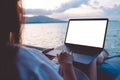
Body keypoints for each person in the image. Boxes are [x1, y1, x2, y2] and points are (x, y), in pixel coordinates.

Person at [0, 0, 108, 80]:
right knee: (92, 57)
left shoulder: (11, 55)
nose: (22, 15)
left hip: (60, 68)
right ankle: (102, 53)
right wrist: (67, 65)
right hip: (69, 73)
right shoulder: (19, 56)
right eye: (19, 9)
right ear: (10, 17)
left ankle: (100, 53)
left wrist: (42, 58)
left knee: (86, 55)